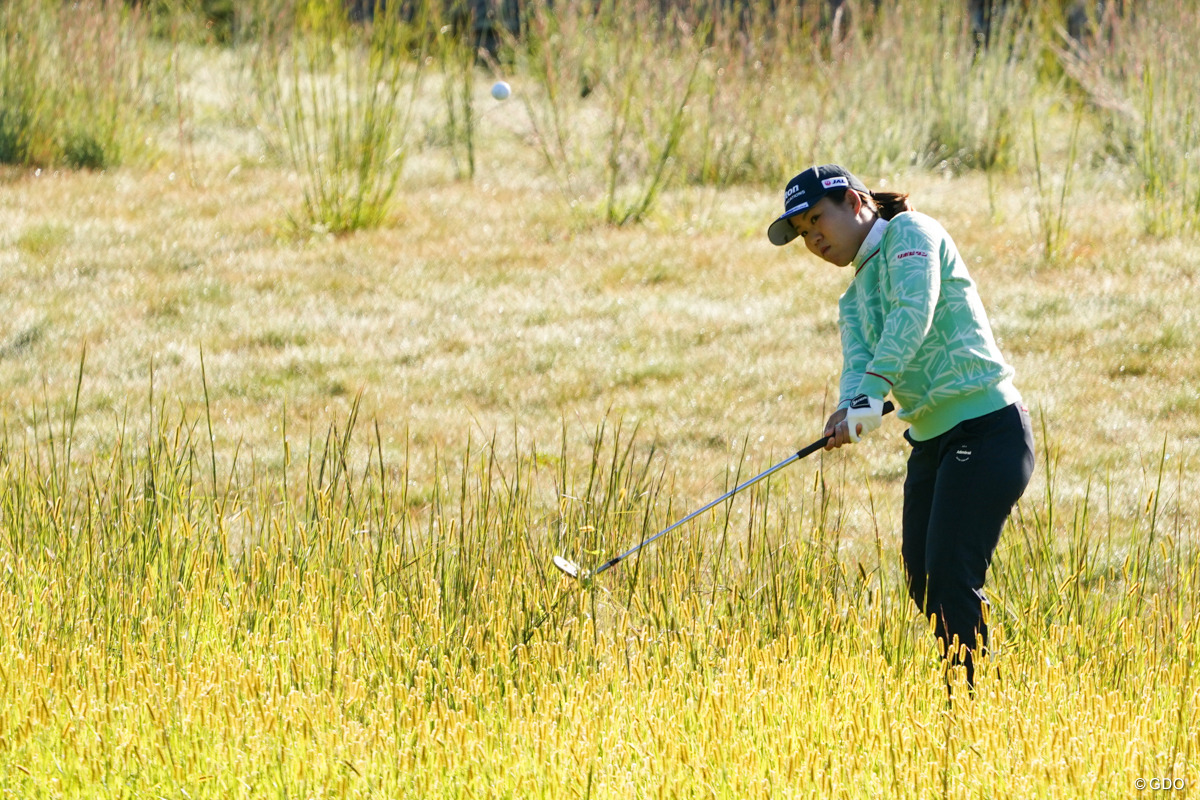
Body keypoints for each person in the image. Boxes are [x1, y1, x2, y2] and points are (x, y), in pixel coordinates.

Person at [767, 164, 1035, 691]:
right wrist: (849, 409)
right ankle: (978, 689)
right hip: (933, 443)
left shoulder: (912, 233)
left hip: (987, 430)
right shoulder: (852, 298)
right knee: (924, 579)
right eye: (802, 233)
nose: (814, 238)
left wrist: (871, 390)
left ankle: (977, 700)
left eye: (818, 218)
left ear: (854, 201)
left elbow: (914, 310)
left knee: (952, 576)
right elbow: (858, 364)